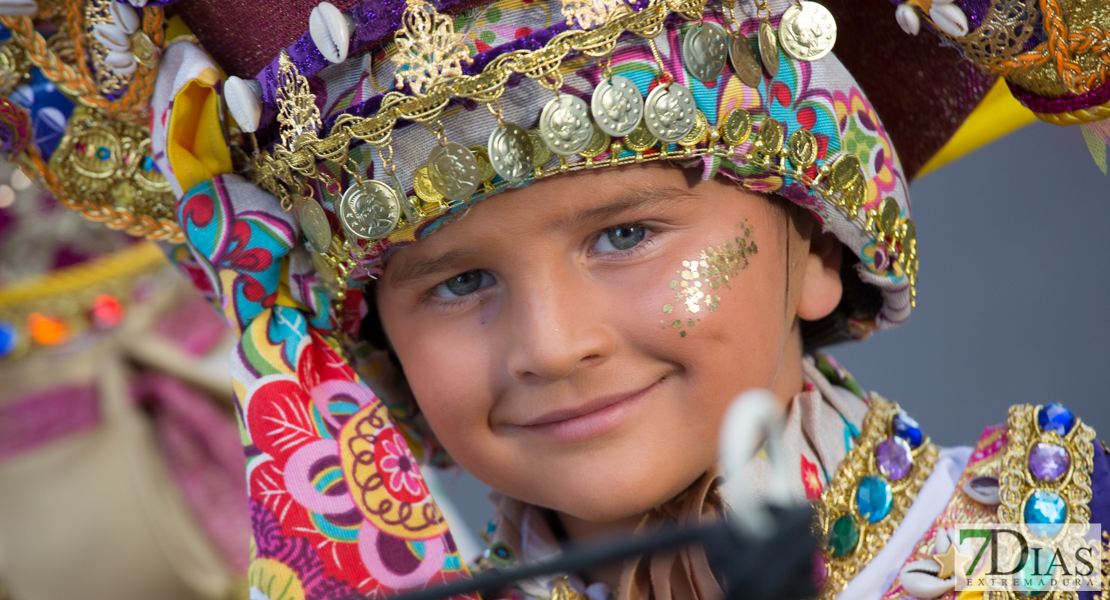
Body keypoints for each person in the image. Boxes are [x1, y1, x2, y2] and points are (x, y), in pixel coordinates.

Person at [0, 0, 1106, 599]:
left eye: (626, 236)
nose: (552, 344)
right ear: (374, 344)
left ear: (823, 243)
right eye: (460, 282)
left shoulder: (1058, 554)